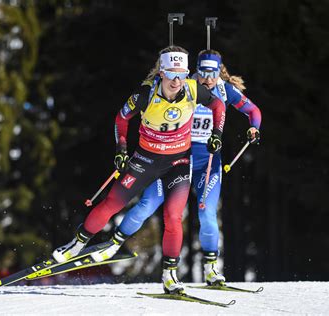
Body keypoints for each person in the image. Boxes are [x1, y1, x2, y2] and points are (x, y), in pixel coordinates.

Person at [52, 46, 226, 294]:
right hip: (146, 159)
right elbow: (121, 119)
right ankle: (76, 244)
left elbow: (219, 106)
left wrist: (216, 134)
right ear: (162, 73)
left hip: (178, 162)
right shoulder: (146, 93)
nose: (177, 80)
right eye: (171, 73)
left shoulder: (193, 88)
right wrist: (121, 149)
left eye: (182, 74)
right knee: (113, 202)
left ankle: (169, 275)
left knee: (174, 217)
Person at [96, 49, 262, 287]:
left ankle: (211, 270)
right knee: (147, 205)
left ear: (219, 72)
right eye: (202, 72)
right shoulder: (185, 85)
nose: (206, 78)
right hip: (175, 160)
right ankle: (112, 243)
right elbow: (151, 91)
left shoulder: (225, 90)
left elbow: (253, 111)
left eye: (212, 73)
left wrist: (254, 128)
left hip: (207, 163)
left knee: (206, 213)